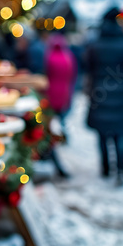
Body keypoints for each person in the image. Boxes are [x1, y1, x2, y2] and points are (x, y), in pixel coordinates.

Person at [85, 7, 123, 186]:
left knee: (102, 135)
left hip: (100, 95)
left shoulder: (95, 45)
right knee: (121, 134)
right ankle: (120, 169)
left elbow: (88, 68)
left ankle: (105, 169)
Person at [44, 33, 77, 177]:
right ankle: (63, 137)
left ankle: (56, 141)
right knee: (60, 121)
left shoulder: (49, 57)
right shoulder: (68, 57)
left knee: (51, 125)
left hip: (51, 95)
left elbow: (46, 75)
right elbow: (73, 76)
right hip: (64, 94)